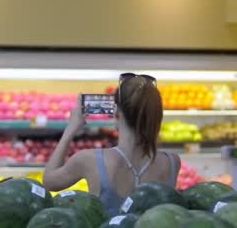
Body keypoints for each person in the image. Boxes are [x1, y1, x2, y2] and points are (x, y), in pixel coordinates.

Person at [43, 73, 180, 216]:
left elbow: (49, 182)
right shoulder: (172, 162)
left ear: (116, 113)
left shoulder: (90, 160)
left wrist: (70, 129)